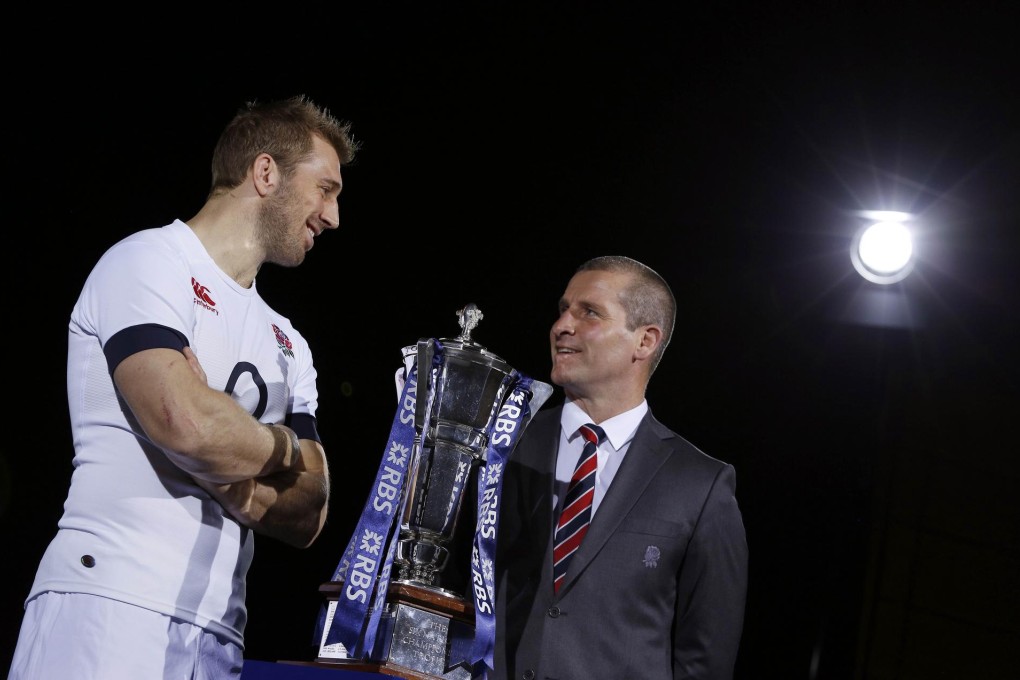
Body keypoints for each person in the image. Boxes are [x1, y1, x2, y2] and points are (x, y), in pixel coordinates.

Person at [9, 95, 359, 680]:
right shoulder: (147, 262)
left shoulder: (289, 343)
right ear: (266, 172)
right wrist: (284, 448)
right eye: (325, 189)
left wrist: (241, 484)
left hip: (219, 635)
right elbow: (185, 424)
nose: (333, 215)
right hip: (109, 606)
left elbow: (309, 512)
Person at [493, 255, 748, 680]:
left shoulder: (701, 485)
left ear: (645, 342)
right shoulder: (505, 444)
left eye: (589, 312)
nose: (561, 326)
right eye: (563, 310)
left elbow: (705, 660)